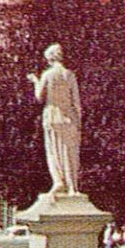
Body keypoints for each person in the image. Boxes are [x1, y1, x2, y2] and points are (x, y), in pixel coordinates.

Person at [28, 43, 81, 193]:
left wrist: (35, 81)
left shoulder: (48, 75)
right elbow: (76, 102)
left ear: (50, 58)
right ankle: (72, 186)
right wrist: (78, 121)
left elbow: (39, 97)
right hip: (68, 117)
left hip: (52, 116)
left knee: (54, 150)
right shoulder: (69, 75)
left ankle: (58, 181)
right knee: (70, 153)